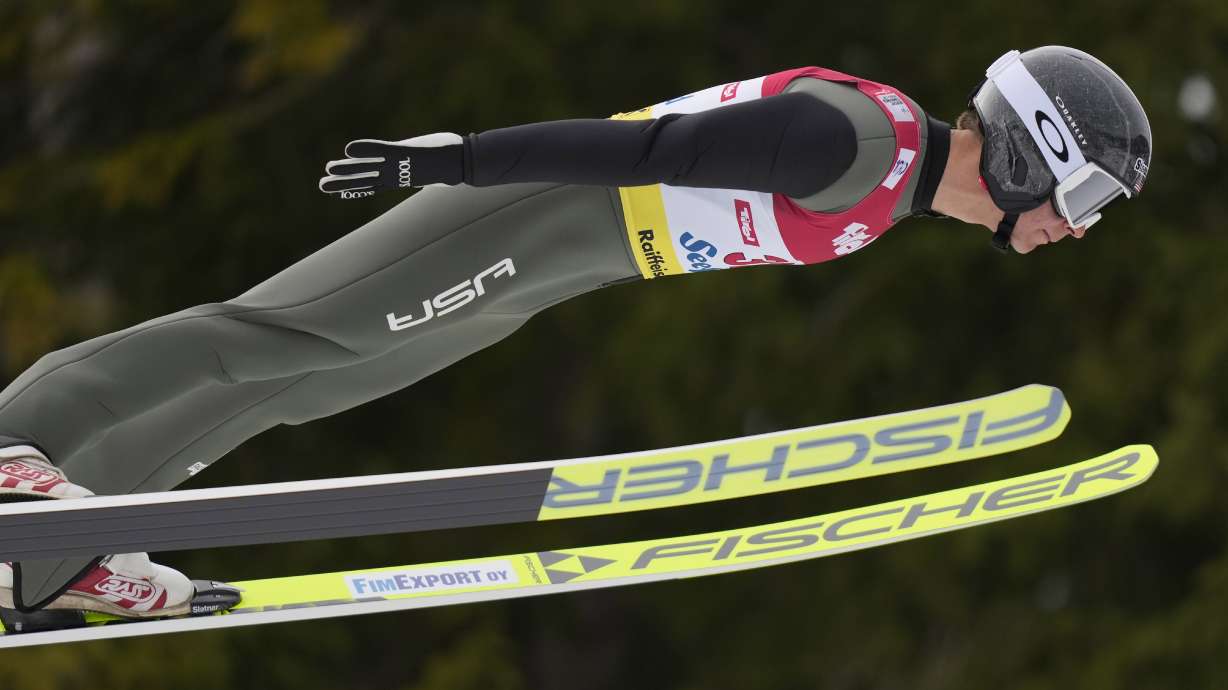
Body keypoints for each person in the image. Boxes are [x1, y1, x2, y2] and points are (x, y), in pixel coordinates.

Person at [0, 46, 1151, 618]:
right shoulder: (853, 142)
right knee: (276, 335)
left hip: (550, 270)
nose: (1078, 231)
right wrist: (452, 160)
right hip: (529, 215)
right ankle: (21, 440)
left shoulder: (887, 198)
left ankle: (56, 554)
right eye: (1086, 200)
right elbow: (639, 151)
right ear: (1026, 151)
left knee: (299, 385)